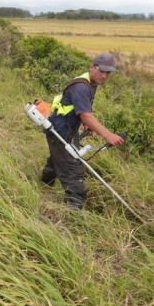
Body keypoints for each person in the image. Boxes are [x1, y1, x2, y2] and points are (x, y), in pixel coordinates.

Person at [41, 53, 125, 209]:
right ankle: (73, 214)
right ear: (92, 67)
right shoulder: (81, 86)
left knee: (56, 159)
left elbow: (80, 110)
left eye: (108, 73)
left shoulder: (91, 84)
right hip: (59, 131)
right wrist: (108, 135)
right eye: (102, 71)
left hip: (66, 130)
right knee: (74, 172)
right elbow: (86, 116)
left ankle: (44, 187)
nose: (105, 76)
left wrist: (86, 124)